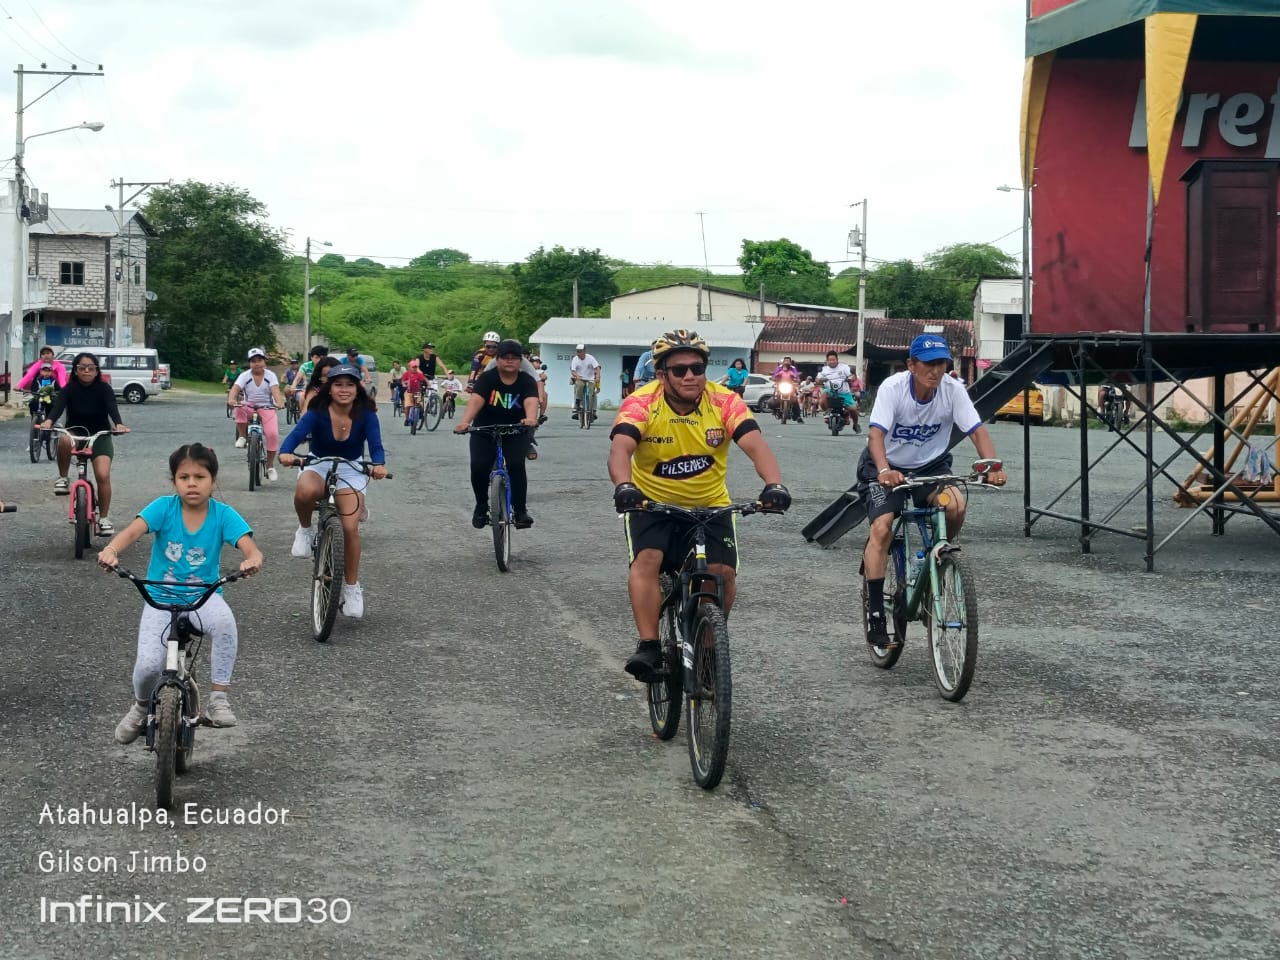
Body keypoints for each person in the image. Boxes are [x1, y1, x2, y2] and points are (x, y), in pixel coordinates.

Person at [607, 330, 791, 681]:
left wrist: (774, 484)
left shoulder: (723, 401)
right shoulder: (641, 403)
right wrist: (624, 486)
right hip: (651, 504)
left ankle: (709, 648)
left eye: (698, 368)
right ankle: (649, 645)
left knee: (723, 575)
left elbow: (756, 445)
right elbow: (620, 449)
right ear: (661, 375)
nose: (690, 376)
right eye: (679, 370)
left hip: (710, 506)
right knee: (648, 560)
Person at [98, 443, 262, 740]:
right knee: (148, 665)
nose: (192, 484)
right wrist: (111, 550)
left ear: (213, 480)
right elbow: (132, 532)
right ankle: (140, 707)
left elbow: (250, 548)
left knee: (224, 623)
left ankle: (219, 698)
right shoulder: (164, 507)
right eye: (184, 477)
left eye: (200, 477)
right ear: (174, 481)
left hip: (203, 597)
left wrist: (251, 559)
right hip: (159, 599)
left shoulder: (223, 515)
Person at [859, 334, 1008, 647]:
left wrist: (992, 466)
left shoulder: (952, 390)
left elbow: (977, 431)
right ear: (911, 365)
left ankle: (936, 564)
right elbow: (875, 436)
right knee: (882, 529)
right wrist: (884, 471)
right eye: (929, 363)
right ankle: (876, 614)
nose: (936, 370)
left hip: (931, 467)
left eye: (941, 363)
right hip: (886, 467)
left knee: (955, 505)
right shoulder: (893, 388)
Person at [278, 364, 388, 619]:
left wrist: (379, 464)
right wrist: (285, 453)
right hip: (318, 463)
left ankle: (352, 587)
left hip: (352, 468)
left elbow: (376, 444)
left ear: (358, 388)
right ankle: (305, 530)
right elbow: (296, 435)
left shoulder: (367, 414)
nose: (344, 389)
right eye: (338, 384)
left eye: (350, 384)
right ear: (330, 388)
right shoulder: (317, 411)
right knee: (305, 491)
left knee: (350, 527)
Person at [38, 351, 131, 536]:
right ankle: (63, 478)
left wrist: (119, 424)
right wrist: (48, 421)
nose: (86, 371)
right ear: (76, 370)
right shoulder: (69, 389)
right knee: (64, 439)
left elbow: (112, 407)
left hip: (100, 435)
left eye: (91, 368)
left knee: (102, 475)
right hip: (76, 434)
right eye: (82, 367)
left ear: (96, 371)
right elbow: (58, 408)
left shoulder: (104, 389)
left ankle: (104, 519)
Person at [454, 338, 539, 529]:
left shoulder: (526, 380)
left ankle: (520, 510)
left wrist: (531, 418)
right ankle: (481, 506)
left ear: (520, 361)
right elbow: (476, 400)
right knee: (479, 466)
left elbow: (531, 401)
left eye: (514, 357)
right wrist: (465, 422)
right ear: (497, 359)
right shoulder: (487, 378)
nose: (509, 361)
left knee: (516, 465)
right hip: (485, 429)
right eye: (505, 357)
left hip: (515, 430)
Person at [228, 347, 286, 481]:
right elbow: (235, 389)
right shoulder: (245, 375)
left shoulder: (270, 375)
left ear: (264, 362)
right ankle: (242, 436)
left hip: (267, 407)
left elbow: (275, 391)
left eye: (259, 360)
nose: (257, 363)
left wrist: (279, 402)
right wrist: (231, 399)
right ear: (249, 363)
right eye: (253, 361)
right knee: (239, 407)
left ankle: (270, 466)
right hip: (249, 406)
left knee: (272, 434)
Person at [815, 351, 860, 432]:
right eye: (830, 360)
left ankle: (856, 424)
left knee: (853, 409)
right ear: (827, 361)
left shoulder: (844, 367)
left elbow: (852, 376)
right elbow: (817, 380)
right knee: (823, 396)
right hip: (831, 392)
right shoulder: (824, 369)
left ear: (837, 359)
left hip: (844, 393)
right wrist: (821, 380)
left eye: (833, 360)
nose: (832, 362)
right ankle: (828, 412)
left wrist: (851, 378)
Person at [570, 343, 601, 421]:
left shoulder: (590, 358)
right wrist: (577, 376)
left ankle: (592, 410)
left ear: (584, 351)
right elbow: (573, 371)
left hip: (590, 379)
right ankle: (578, 403)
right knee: (579, 386)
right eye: (577, 351)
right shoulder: (575, 359)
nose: (578, 353)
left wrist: (597, 377)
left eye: (580, 351)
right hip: (580, 378)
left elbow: (597, 368)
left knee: (592, 393)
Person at [771, 356, 803, 423]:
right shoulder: (780, 368)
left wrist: (797, 379)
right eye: (785, 361)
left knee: (795, 399)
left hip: (790, 386)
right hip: (780, 385)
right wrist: (774, 377)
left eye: (788, 361)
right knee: (775, 396)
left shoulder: (792, 369)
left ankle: (798, 416)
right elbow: (775, 374)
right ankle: (775, 410)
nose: (786, 362)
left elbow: (796, 375)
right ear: (783, 362)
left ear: (790, 362)